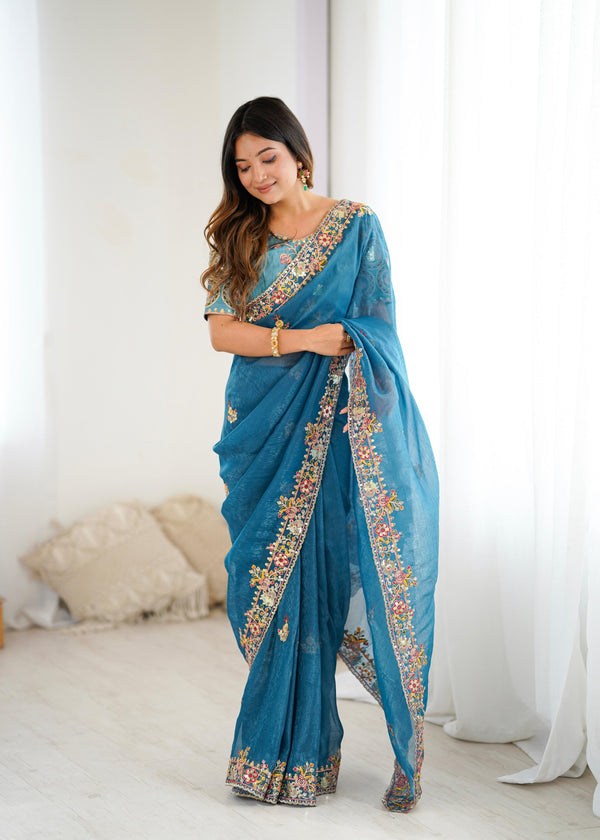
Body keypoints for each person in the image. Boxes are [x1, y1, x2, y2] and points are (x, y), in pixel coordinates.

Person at [202, 96, 438, 811]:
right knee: (264, 583)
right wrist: (301, 338)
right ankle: (280, 753)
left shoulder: (357, 227)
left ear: (297, 153)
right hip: (265, 431)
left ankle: (345, 755)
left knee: (333, 573)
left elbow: (381, 333)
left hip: (340, 428)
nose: (256, 176)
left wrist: (345, 353)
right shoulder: (239, 236)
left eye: (266, 158)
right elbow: (220, 332)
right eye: (242, 167)